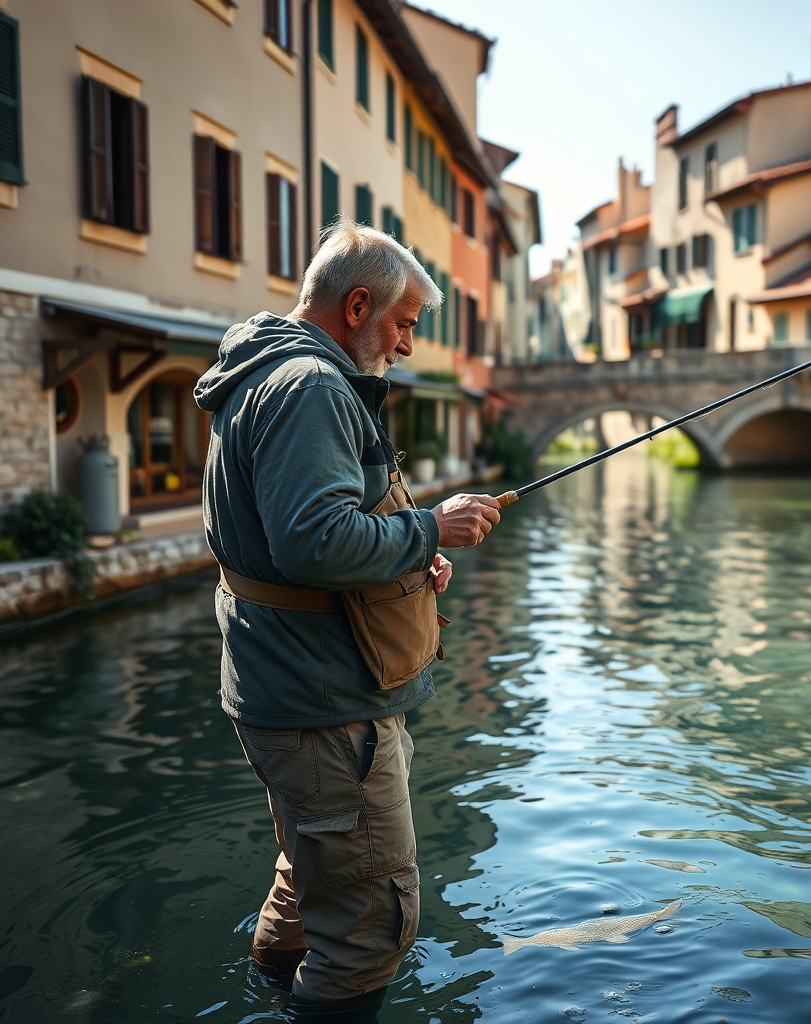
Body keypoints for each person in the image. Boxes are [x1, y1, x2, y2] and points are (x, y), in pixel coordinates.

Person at [194, 219, 502, 1020]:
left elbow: (296, 535)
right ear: (358, 305)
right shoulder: (314, 387)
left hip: (284, 687)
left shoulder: (261, 370)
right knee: (369, 928)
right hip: (323, 702)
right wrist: (431, 527)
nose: (406, 345)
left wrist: (405, 553)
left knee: (307, 882)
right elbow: (313, 542)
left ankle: (265, 997)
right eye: (402, 324)